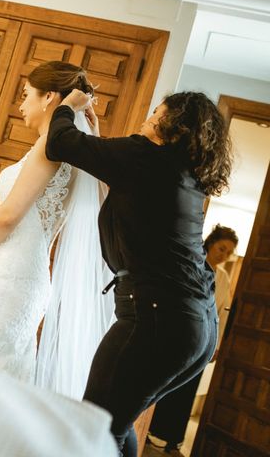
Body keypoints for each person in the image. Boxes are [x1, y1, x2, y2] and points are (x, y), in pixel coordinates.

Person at [45, 90, 232, 456]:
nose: (148, 115)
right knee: (114, 423)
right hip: (194, 327)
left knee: (96, 425)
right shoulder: (183, 173)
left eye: (156, 112)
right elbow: (122, 186)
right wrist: (99, 142)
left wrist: (68, 105)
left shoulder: (145, 157)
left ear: (174, 124)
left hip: (159, 319)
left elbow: (60, 141)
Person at [0, 61, 114, 394]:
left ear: (49, 98)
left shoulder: (49, 146)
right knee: (4, 376)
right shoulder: (76, 148)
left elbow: (9, 215)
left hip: (9, 277)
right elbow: (103, 194)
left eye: (26, 95)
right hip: (31, 279)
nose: (21, 105)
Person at [147, 224, 238, 455]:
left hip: (203, 341)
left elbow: (221, 314)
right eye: (221, 248)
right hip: (179, 337)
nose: (224, 255)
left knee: (188, 391)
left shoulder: (224, 278)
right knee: (168, 385)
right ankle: (150, 431)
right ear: (210, 243)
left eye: (228, 252)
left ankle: (173, 440)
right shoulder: (192, 265)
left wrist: (215, 345)